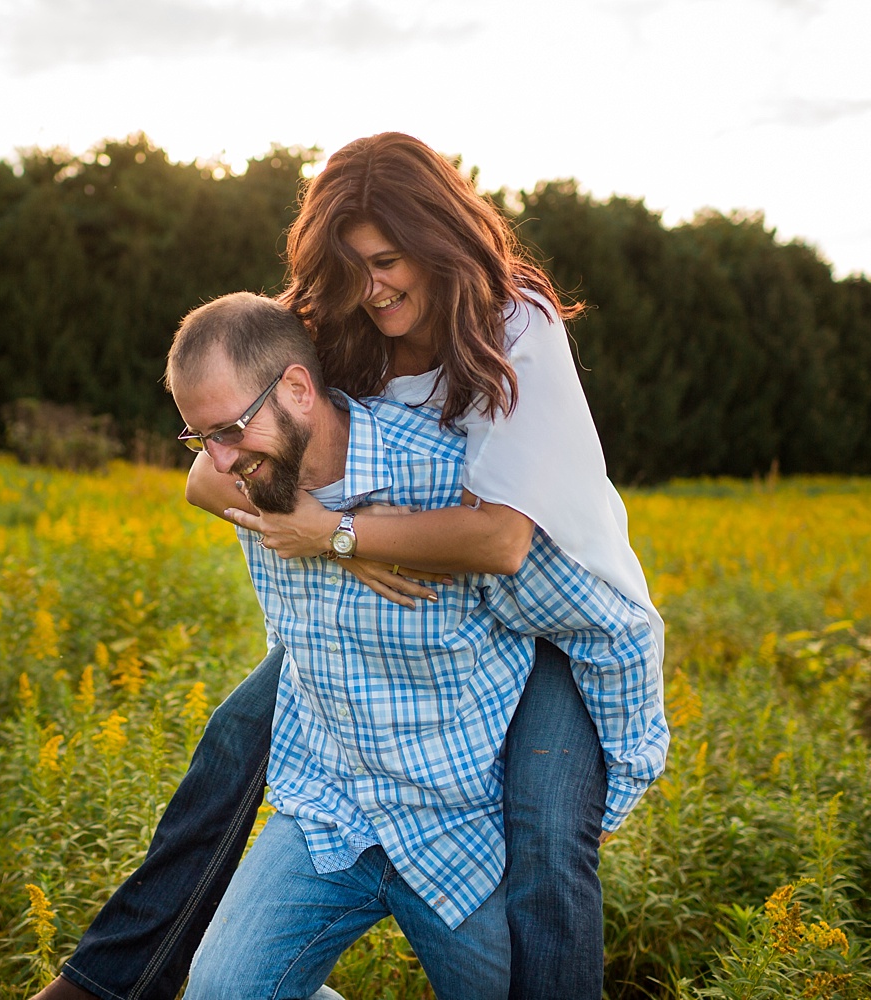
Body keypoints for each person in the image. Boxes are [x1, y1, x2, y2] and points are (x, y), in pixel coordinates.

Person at [34, 133, 665, 1000]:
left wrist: (342, 540)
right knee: (235, 743)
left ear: (439, 237)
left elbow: (506, 541)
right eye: (350, 265)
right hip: (379, 612)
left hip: (554, 609)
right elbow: (206, 474)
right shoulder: (335, 321)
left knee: (549, 832)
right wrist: (303, 518)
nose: (372, 287)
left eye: (388, 260)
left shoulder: (512, 317)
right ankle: (108, 981)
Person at [176, 293, 656, 998]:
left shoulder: (451, 486)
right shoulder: (256, 484)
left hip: (457, 832)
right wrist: (341, 543)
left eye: (230, 430)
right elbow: (204, 481)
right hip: (327, 813)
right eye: (200, 439)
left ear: (299, 390)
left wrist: (599, 807)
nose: (220, 459)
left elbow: (603, 628)